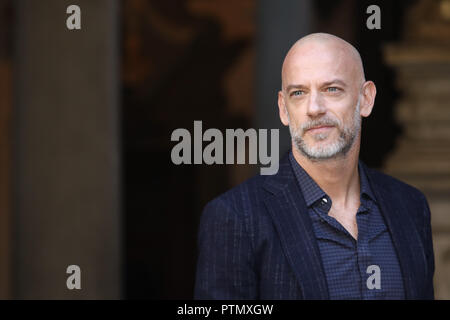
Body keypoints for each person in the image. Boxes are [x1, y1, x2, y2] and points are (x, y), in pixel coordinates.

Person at [194, 33, 435, 299]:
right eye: (298, 93)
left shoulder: (410, 206)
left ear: (366, 98)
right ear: (284, 109)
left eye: (331, 89)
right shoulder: (236, 217)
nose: (314, 108)